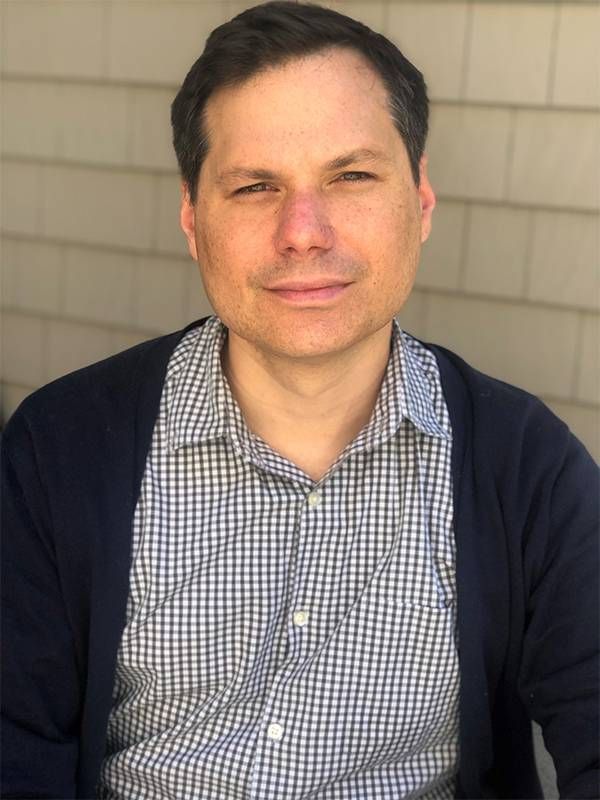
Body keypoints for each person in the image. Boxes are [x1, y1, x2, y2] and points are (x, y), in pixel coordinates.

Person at [1, 2, 598, 798]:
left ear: (419, 203)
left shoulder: (525, 466)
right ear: (192, 216)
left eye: (350, 175)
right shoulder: (59, 447)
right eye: (254, 186)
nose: (303, 231)